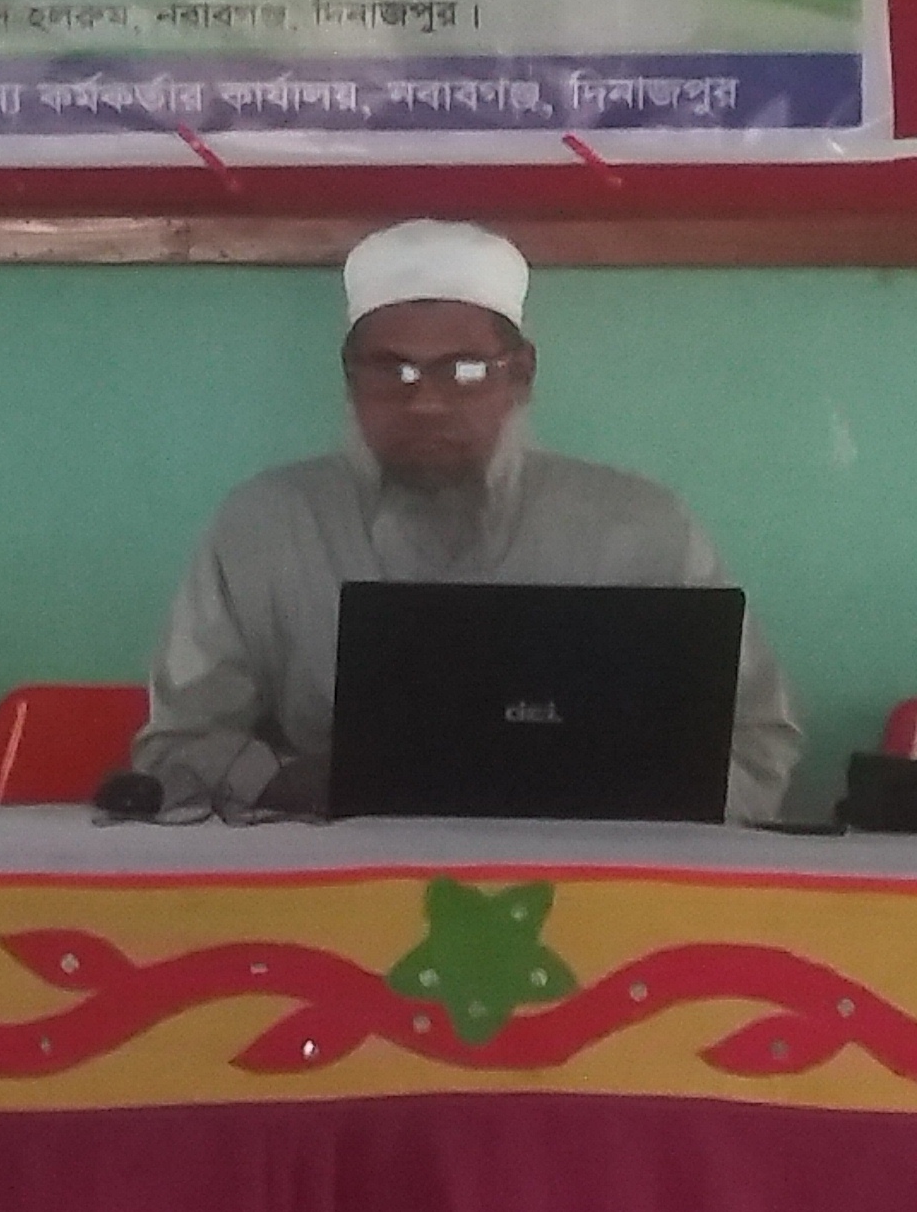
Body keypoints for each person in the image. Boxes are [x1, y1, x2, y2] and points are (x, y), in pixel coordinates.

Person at [134, 219, 804, 823]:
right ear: (349, 378)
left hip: (603, 881)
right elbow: (179, 741)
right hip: (338, 879)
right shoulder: (265, 525)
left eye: (465, 370)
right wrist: (302, 785)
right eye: (391, 370)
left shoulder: (641, 528)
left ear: (522, 373)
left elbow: (756, 740)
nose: (425, 402)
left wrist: (625, 803)